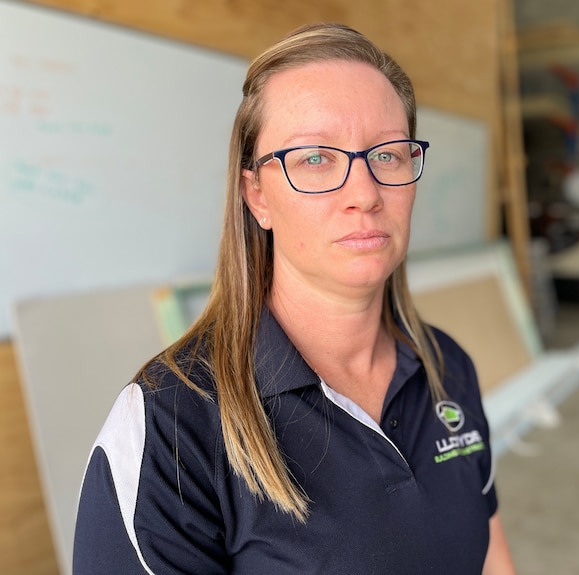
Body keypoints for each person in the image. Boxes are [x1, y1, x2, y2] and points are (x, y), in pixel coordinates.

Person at [72, 21, 516, 574]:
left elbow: (493, 557)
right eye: (314, 158)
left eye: (388, 154)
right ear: (255, 194)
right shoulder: (171, 426)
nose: (365, 194)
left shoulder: (447, 367)